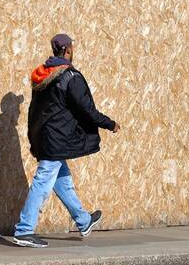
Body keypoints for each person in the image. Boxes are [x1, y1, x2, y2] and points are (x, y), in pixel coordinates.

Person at [9, 33, 119, 248]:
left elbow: (35, 112)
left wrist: (33, 137)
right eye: (72, 48)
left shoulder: (42, 77)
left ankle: (84, 220)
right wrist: (109, 123)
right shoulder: (70, 77)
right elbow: (87, 109)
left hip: (44, 137)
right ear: (68, 50)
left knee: (62, 181)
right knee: (43, 181)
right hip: (57, 139)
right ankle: (24, 230)